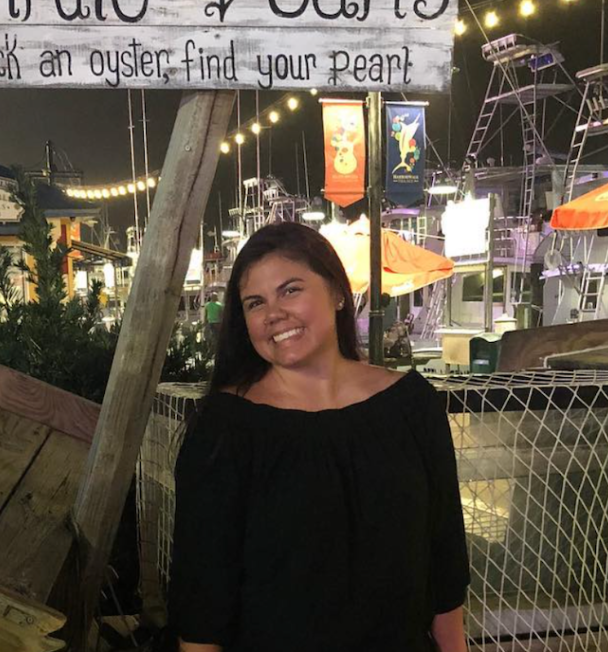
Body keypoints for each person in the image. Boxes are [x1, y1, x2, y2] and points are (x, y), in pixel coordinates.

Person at [169, 222, 470, 652]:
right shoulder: (226, 427)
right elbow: (202, 603)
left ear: (337, 292)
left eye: (290, 290)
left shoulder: (411, 405)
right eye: (256, 303)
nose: (273, 313)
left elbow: (446, 565)